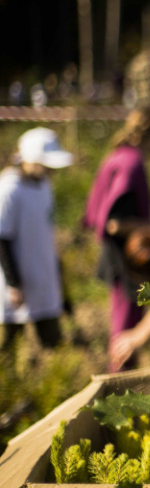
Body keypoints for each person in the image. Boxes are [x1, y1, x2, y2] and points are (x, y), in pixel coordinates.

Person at [82, 105, 150, 372]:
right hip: (126, 260)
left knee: (126, 325)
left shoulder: (119, 156)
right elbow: (115, 223)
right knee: (125, 332)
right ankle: (119, 391)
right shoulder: (132, 163)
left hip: (119, 257)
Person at [0, 128, 74, 351]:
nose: (51, 171)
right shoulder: (9, 189)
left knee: (53, 340)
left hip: (42, 277)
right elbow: (2, 238)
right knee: (9, 344)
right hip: (15, 282)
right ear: (30, 160)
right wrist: (14, 284)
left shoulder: (43, 186)